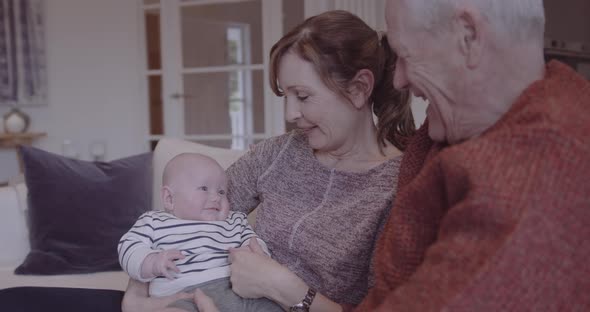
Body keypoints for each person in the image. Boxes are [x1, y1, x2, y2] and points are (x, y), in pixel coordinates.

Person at [189, 0, 590, 311]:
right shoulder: (440, 141)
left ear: (468, 36)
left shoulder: (538, 174)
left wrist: (281, 288)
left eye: (407, 55)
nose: (397, 79)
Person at [122, 10, 415, 312]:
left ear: (358, 89)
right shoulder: (277, 154)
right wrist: (140, 295)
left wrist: (284, 287)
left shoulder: (398, 188)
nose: (290, 114)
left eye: (302, 96)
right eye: (285, 96)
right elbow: (189, 217)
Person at [118, 153, 282, 312]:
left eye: (221, 192)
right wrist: (152, 262)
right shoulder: (154, 221)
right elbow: (129, 248)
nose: (216, 197)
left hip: (237, 290)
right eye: (204, 188)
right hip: (183, 294)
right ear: (169, 198)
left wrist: (256, 254)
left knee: (271, 307)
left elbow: (255, 243)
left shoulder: (235, 220)